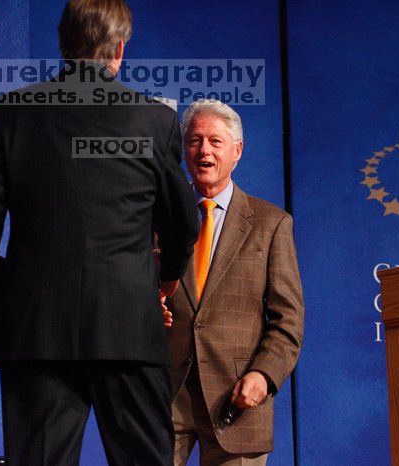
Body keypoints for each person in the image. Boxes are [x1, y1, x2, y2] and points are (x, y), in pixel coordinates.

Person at [0, 1, 198, 465]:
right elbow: (183, 221)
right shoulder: (153, 120)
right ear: (119, 49)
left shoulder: (12, 114)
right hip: (127, 328)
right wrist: (165, 279)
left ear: (63, 44)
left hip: (36, 332)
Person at [165, 99, 304, 466]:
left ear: (237, 150)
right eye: (194, 141)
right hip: (166, 394)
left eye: (215, 141)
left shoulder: (270, 223)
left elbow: (288, 320)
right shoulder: (159, 218)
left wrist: (264, 373)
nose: (203, 150)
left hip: (236, 399)